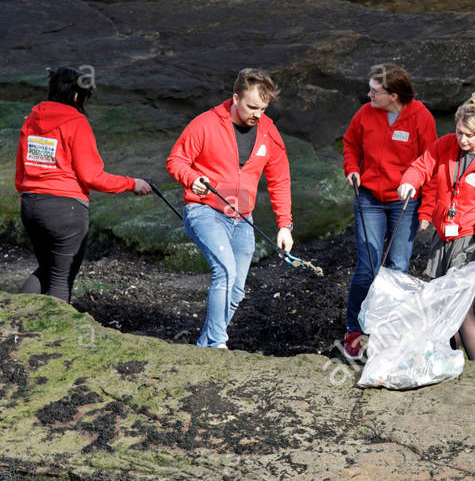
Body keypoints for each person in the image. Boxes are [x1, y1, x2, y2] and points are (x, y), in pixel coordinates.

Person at [166, 68, 293, 349]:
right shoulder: (205, 124)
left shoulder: (268, 131)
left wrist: (285, 225)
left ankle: (205, 346)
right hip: (204, 211)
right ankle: (218, 346)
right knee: (224, 271)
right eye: (251, 107)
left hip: (242, 217)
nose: (257, 114)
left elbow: (280, 178)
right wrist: (192, 178)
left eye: (263, 108)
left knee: (236, 290)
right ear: (235, 98)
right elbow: (176, 160)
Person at [15, 67, 151, 302]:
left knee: (47, 270)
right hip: (66, 212)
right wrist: (131, 183)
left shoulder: (32, 119)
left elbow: (21, 170)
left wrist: (29, 196)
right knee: (60, 279)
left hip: (30, 205)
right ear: (77, 96)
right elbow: (91, 176)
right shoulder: (76, 123)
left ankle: (13, 319)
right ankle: (55, 335)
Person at [397, 93, 475, 361]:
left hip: (471, 242)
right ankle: (449, 360)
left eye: (470, 135)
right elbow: (423, 165)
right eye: (459, 132)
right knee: (442, 306)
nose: (463, 140)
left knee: (460, 309)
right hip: (444, 236)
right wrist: (409, 181)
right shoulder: (445, 146)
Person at [341, 63, 438, 358]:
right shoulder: (365, 113)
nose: (368, 94)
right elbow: (350, 145)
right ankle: (354, 330)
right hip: (368, 197)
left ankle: (387, 331)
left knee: (397, 269)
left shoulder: (421, 117)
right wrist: (351, 169)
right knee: (367, 267)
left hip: (404, 203)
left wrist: (426, 212)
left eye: (375, 91)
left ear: (394, 95)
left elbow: (431, 164)